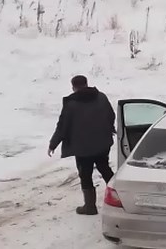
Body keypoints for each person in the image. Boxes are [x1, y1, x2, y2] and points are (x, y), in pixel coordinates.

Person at [48, 75, 116, 215]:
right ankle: (120, 198)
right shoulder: (101, 97)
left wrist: (53, 144)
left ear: (73, 87)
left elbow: (62, 127)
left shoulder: (71, 104)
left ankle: (90, 207)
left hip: (83, 148)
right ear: (86, 84)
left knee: (85, 175)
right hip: (102, 143)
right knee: (105, 169)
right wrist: (109, 129)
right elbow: (111, 115)